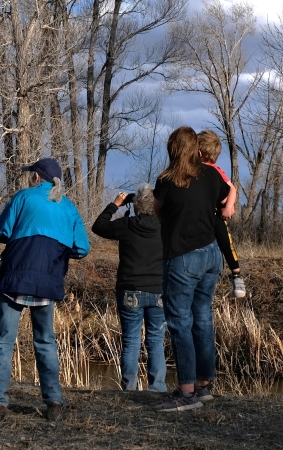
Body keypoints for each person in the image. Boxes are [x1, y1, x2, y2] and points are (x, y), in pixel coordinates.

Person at [0, 158, 90, 422]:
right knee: (45, 341)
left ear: (36, 178)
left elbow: (0, 231)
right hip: (48, 281)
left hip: (15, 278)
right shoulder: (68, 207)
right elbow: (83, 248)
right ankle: (54, 402)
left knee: (3, 340)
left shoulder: (23, 198)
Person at [153, 126, 229, 412]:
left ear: (173, 149)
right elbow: (226, 196)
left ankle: (186, 393)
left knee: (180, 322)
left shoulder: (167, 180)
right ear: (196, 148)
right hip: (212, 254)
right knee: (202, 318)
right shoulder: (210, 174)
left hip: (182, 256)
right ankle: (203, 386)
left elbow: (159, 211)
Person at [92, 184, 167, 393]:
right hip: (159, 290)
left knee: (131, 341)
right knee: (156, 341)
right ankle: (158, 388)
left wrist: (116, 204)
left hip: (130, 290)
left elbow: (98, 226)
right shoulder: (166, 227)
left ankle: (129, 389)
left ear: (135, 206)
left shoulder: (127, 225)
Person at [197, 130, 246, 298]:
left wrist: (228, 207)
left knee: (225, 238)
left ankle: (236, 274)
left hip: (217, 212)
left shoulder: (215, 170)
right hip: (203, 212)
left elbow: (232, 188)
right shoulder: (194, 169)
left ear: (199, 152)